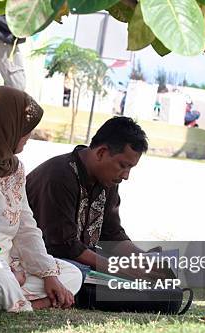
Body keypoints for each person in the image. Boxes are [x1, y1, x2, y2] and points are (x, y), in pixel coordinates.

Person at [0, 86, 82, 312]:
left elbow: (26, 226)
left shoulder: (13, 166)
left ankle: (17, 299)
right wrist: (7, 271)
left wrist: (48, 274)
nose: (28, 135)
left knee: (72, 274)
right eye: (24, 128)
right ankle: (34, 304)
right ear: (3, 126)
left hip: (9, 262)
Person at [26, 116, 167, 284]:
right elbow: (64, 246)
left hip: (78, 259)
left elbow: (111, 233)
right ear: (101, 152)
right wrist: (121, 269)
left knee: (152, 282)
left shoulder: (108, 180)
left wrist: (142, 260)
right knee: (82, 276)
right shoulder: (59, 175)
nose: (126, 175)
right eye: (123, 165)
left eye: (130, 168)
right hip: (46, 261)